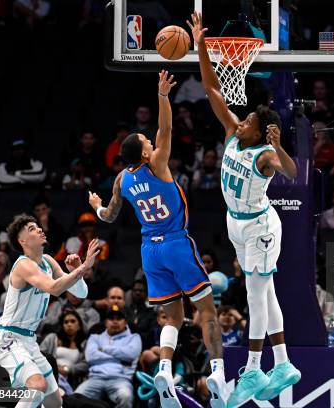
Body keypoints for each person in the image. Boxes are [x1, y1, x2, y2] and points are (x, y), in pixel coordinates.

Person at [88, 70, 229, 407]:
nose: (152, 142)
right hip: (176, 242)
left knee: (174, 315)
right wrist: (163, 95)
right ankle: (220, 373)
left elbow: (108, 216)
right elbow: (166, 129)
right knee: (207, 312)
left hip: (149, 252)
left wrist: (96, 206)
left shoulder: (122, 179)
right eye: (147, 142)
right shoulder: (158, 164)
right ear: (146, 154)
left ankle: (164, 366)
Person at [188, 12, 301, 406]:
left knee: (256, 293)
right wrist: (201, 42)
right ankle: (283, 363)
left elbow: (291, 170)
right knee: (265, 292)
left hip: (260, 226)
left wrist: (279, 143)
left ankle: (253, 368)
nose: (241, 123)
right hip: (236, 223)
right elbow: (211, 87)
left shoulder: (266, 155)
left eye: (249, 121)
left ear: (260, 132)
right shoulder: (233, 132)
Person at [0, 214, 97, 408]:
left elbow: (81, 293)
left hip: (29, 341)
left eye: (38, 226)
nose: (39, 229)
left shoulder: (48, 261)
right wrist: (82, 268)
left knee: (55, 403)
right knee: (37, 385)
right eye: (32, 228)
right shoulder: (23, 265)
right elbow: (54, 288)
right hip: (9, 339)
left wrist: (75, 272)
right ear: (22, 241)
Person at [74, 305, 141, 408]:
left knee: (126, 396)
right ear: (105, 322)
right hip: (95, 378)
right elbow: (90, 357)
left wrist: (104, 349)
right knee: (75, 398)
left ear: (125, 322)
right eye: (111, 318)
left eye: (119, 318)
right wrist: (120, 357)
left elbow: (131, 354)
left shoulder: (134, 338)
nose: (115, 322)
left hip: (121, 379)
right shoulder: (95, 338)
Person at [39, 310, 88, 393]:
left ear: (79, 325)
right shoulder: (52, 338)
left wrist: (67, 369)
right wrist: (55, 368)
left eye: (73, 321)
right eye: (66, 322)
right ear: (62, 326)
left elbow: (86, 364)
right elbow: (40, 355)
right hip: (50, 373)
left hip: (70, 378)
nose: (69, 324)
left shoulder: (84, 343)